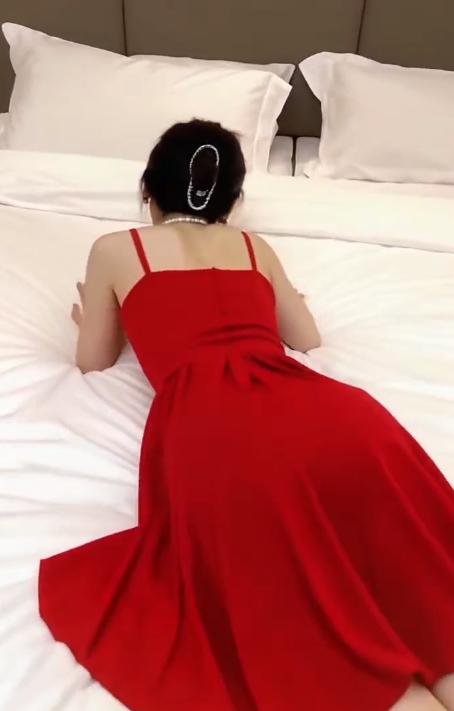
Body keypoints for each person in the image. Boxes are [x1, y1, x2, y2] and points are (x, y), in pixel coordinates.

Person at [39, 119, 454, 711]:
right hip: (333, 416)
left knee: (306, 618)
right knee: (422, 589)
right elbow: (306, 339)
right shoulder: (255, 248)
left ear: (148, 191)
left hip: (215, 427)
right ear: (232, 199)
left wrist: (99, 322)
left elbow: (94, 361)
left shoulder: (116, 249)